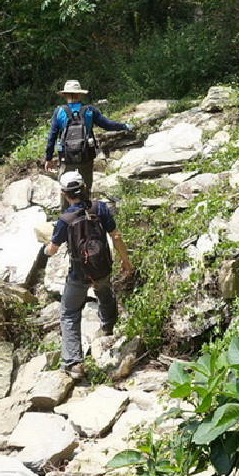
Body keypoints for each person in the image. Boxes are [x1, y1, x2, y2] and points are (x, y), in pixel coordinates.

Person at [45, 170, 134, 376]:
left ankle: (74, 363)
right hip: (102, 266)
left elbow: (52, 249)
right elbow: (116, 235)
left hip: (79, 274)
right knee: (104, 292)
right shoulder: (99, 207)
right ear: (84, 187)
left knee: (69, 312)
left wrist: (45, 250)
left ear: (64, 194)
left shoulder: (65, 219)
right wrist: (125, 260)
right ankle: (108, 327)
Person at [43, 79, 131, 207]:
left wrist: (48, 158)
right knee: (84, 187)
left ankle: (66, 218)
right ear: (80, 94)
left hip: (67, 157)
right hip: (86, 155)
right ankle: (85, 215)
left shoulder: (59, 111)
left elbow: (52, 137)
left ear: (65, 95)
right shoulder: (89, 110)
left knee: (66, 186)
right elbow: (107, 125)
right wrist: (125, 126)